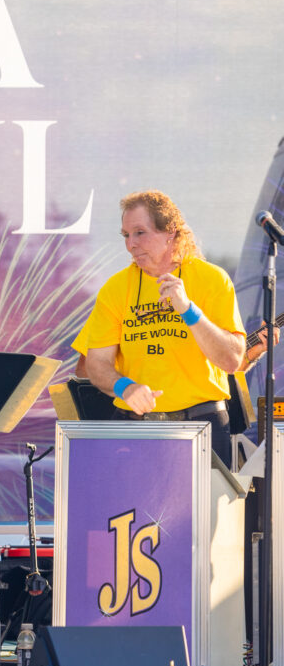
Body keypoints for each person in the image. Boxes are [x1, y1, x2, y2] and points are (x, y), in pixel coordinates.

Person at [78, 190, 244, 466]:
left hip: (202, 426)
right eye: (126, 235)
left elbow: (231, 359)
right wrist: (124, 387)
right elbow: (95, 363)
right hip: (133, 428)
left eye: (140, 233)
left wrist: (188, 310)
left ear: (170, 232)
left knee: (201, 511)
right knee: (126, 510)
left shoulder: (212, 279)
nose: (131, 244)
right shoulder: (115, 289)